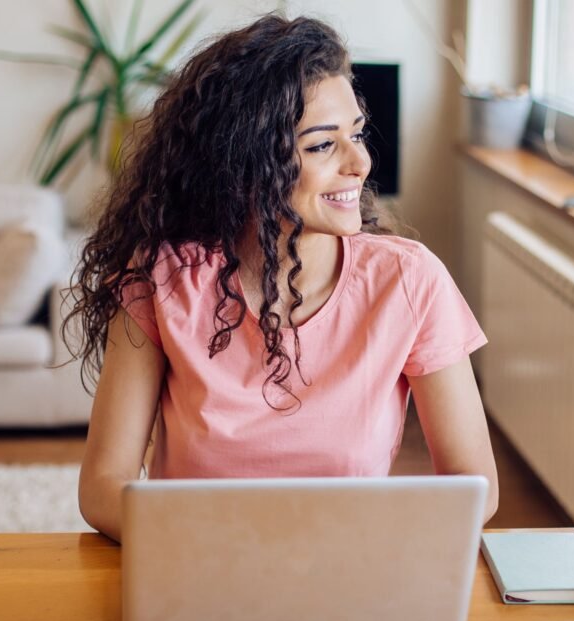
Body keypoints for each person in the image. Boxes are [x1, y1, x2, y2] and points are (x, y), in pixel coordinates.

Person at [66, 14, 498, 543]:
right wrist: (229, 539)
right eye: (322, 146)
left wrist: (369, 542)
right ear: (245, 161)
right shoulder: (162, 280)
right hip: (199, 573)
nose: (359, 162)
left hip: (347, 575)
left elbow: (475, 487)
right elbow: (102, 488)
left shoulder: (410, 281)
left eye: (357, 134)